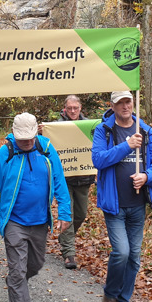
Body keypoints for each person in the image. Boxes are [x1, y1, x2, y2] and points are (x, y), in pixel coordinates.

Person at [0, 113, 71, 302]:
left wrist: (65, 212)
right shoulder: (6, 154)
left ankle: (14, 282)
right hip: (14, 222)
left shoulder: (47, 151)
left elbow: (59, 181)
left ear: (37, 132)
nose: (27, 142)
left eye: (30, 137)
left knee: (36, 264)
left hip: (40, 221)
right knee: (18, 269)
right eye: (22, 138)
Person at [91, 91, 152, 302]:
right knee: (121, 252)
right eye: (120, 102)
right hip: (114, 205)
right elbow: (99, 160)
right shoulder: (104, 130)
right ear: (112, 106)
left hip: (137, 204)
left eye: (128, 102)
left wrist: (147, 176)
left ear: (133, 104)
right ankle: (110, 297)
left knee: (133, 257)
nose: (125, 106)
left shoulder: (144, 129)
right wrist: (126, 146)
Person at [54, 95, 96, 270]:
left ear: (80, 108)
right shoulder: (56, 126)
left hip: (84, 177)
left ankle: (65, 236)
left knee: (80, 214)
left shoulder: (89, 125)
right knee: (68, 214)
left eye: (75, 108)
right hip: (64, 179)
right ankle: (69, 253)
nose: (72, 111)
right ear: (65, 108)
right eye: (69, 108)